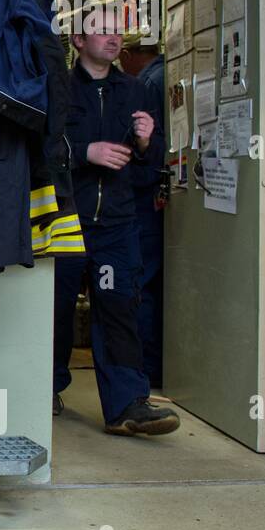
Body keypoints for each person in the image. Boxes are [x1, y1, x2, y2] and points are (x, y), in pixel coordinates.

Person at [53, 10, 180, 435]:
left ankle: (127, 405)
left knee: (119, 309)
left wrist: (146, 142)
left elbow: (151, 164)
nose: (112, 38)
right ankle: (46, 388)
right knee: (55, 310)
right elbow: (39, 152)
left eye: (116, 31)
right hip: (65, 219)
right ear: (77, 40)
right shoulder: (59, 90)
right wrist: (83, 153)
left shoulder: (135, 91)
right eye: (100, 30)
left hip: (117, 223)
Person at [123, 41, 167, 388]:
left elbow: (148, 156)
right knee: (146, 285)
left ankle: (147, 368)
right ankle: (153, 368)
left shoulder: (146, 85)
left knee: (141, 287)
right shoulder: (163, 76)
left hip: (143, 199)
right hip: (152, 198)